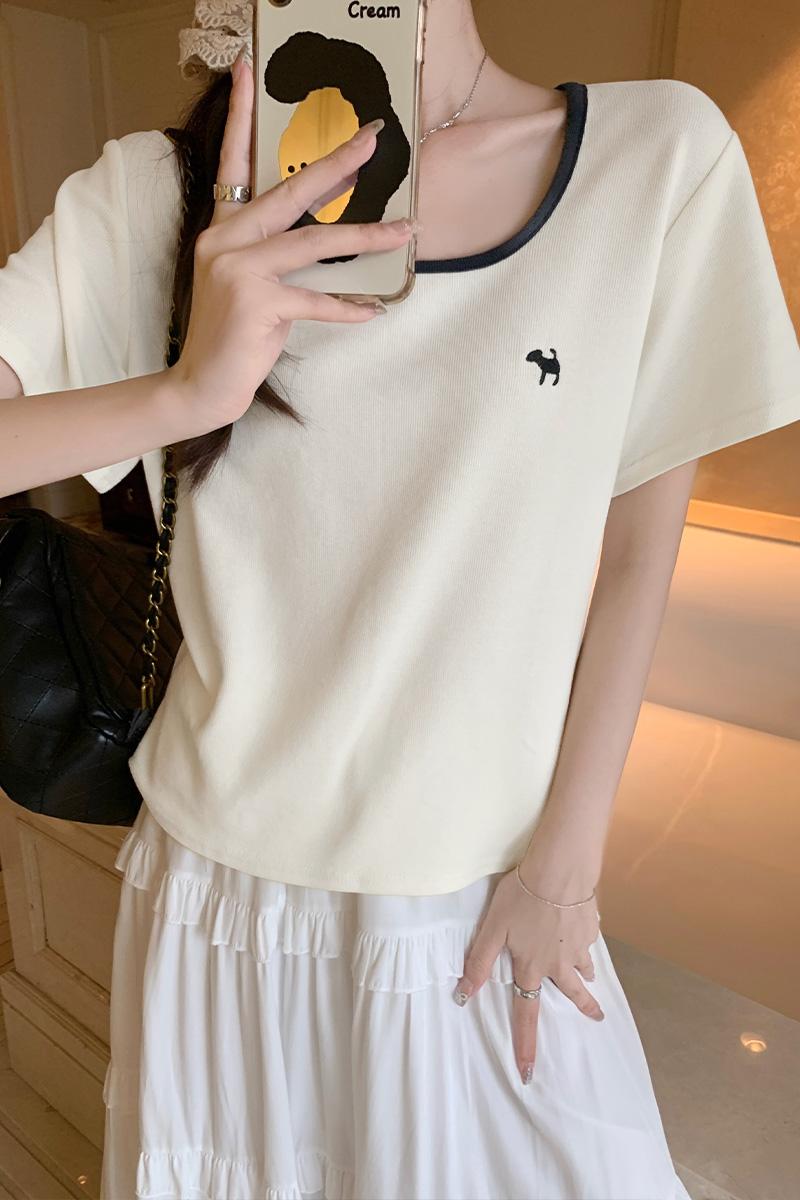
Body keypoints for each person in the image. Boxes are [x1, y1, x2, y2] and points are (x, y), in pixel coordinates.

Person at [1, 0, 799, 1196]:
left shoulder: (655, 158)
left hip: (480, 895)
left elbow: (639, 552)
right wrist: (187, 393)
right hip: (225, 892)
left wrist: (563, 870)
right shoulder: (162, 187)